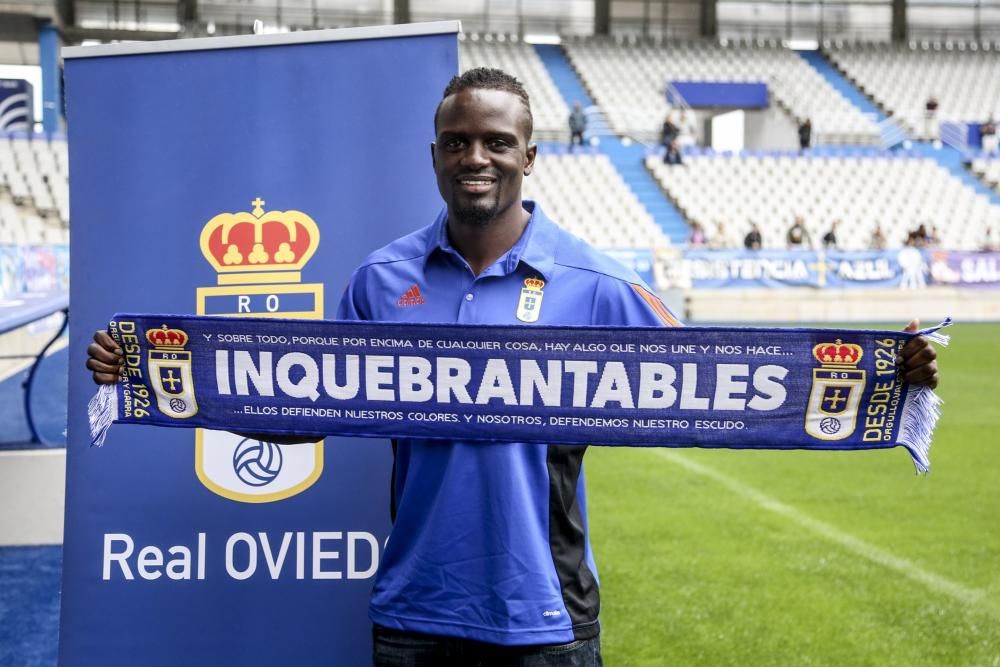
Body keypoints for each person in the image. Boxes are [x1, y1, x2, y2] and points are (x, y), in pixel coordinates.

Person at [85, 67, 940, 666]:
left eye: (497, 142)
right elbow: (299, 398)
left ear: (531, 157)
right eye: (456, 142)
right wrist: (149, 374)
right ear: (434, 154)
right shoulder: (381, 280)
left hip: (547, 619)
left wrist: (884, 375)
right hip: (413, 613)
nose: (475, 158)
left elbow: (713, 379)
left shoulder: (594, 283)